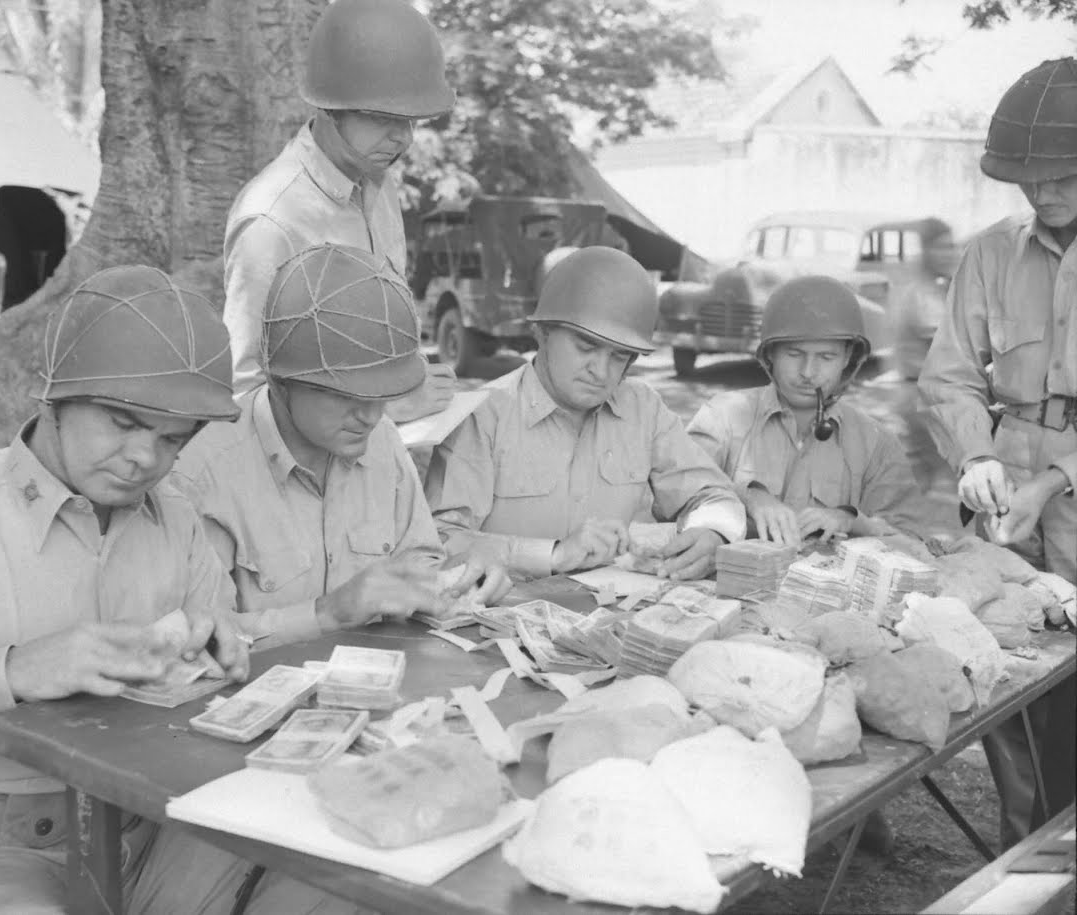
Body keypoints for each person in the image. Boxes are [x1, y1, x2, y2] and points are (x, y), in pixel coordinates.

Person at [128, 243, 509, 915]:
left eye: (383, 394)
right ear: (280, 380)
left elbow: (418, 554)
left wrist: (450, 582)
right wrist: (328, 612)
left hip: (372, 741)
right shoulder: (200, 470)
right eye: (346, 394)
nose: (370, 413)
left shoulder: (377, 439)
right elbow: (186, 652)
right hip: (218, 767)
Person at [0, 266, 249, 915]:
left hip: (161, 830)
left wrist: (216, 661)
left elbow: (213, 670)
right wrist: (14, 673)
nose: (145, 457)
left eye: (172, 438)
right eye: (122, 420)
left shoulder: (180, 523)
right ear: (53, 394)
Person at [919, 56, 1077, 849]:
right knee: (1006, 675)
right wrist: (976, 458)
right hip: (1005, 498)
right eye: (1027, 178)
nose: (1040, 193)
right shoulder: (989, 254)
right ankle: (1022, 858)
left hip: (1066, 495)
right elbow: (948, 374)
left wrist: (1055, 479)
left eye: (1059, 176)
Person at [425, 246, 746, 581]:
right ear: (543, 332)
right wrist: (552, 555)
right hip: (496, 615)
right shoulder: (483, 413)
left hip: (609, 616)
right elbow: (439, 541)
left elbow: (714, 494)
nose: (601, 371)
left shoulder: (643, 409)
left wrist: (712, 533)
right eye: (586, 347)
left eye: (620, 356)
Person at [223, 0, 457, 422]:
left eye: (412, 121)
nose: (402, 139)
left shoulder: (378, 184)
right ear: (329, 106)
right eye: (382, 117)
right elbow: (248, 392)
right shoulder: (272, 220)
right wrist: (387, 408)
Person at [686, 275, 925, 546]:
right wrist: (748, 497)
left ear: (848, 358)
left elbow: (912, 540)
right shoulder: (722, 418)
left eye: (826, 357)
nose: (808, 372)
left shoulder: (876, 443)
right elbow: (676, 494)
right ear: (770, 353)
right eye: (794, 354)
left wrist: (852, 521)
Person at [891, 218, 959, 493]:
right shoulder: (924, 294)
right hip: (927, 398)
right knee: (947, 481)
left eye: (952, 247)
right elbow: (950, 349)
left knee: (927, 479)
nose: (951, 254)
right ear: (927, 250)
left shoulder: (929, 287)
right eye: (942, 247)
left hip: (921, 395)